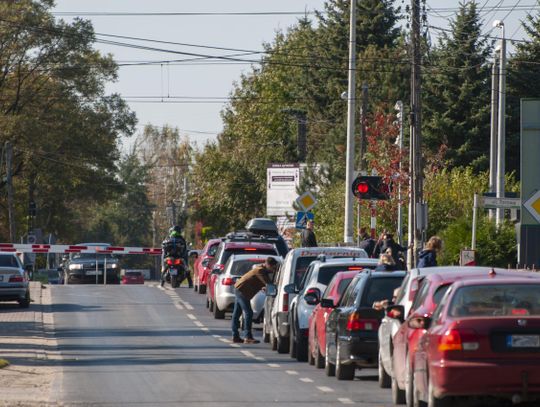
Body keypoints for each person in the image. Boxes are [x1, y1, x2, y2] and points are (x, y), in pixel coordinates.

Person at [232, 256, 279, 343]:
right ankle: (247, 337)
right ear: (268, 265)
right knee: (248, 313)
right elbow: (268, 283)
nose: (273, 269)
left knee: (237, 313)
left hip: (241, 289)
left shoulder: (262, 270)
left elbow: (261, 283)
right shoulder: (260, 270)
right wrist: (271, 287)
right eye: (272, 267)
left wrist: (264, 287)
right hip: (242, 290)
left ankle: (235, 336)